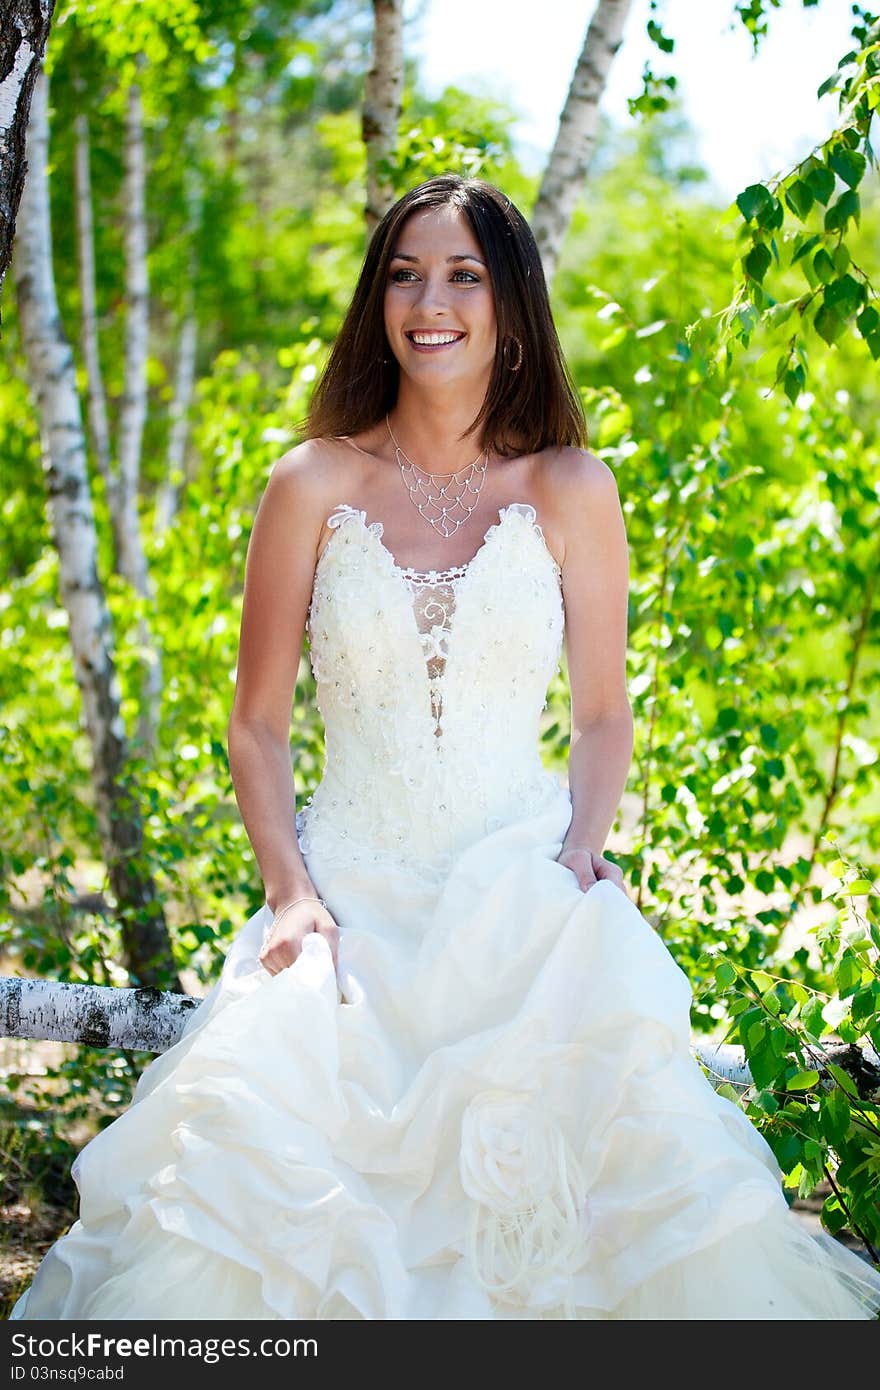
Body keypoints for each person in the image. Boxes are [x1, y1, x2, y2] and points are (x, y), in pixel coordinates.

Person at [11, 174, 880, 1321]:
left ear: (510, 307)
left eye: (465, 274)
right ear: (379, 302)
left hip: (523, 891)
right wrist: (288, 896)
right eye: (407, 274)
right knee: (251, 1189)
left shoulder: (570, 488)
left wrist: (580, 849)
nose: (433, 300)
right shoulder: (312, 480)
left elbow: (605, 711)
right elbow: (255, 721)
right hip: (345, 903)